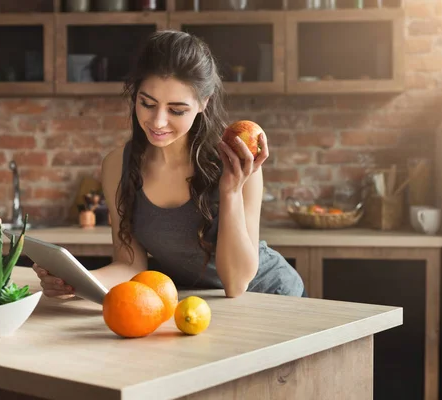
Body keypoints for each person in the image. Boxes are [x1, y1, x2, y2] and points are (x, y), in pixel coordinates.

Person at [32, 30, 305, 299]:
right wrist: (74, 283)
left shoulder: (236, 162)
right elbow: (130, 266)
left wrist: (231, 191)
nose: (158, 121)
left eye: (176, 110)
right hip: (196, 305)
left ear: (203, 103)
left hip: (269, 296)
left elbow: (235, 285)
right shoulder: (118, 165)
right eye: (147, 103)